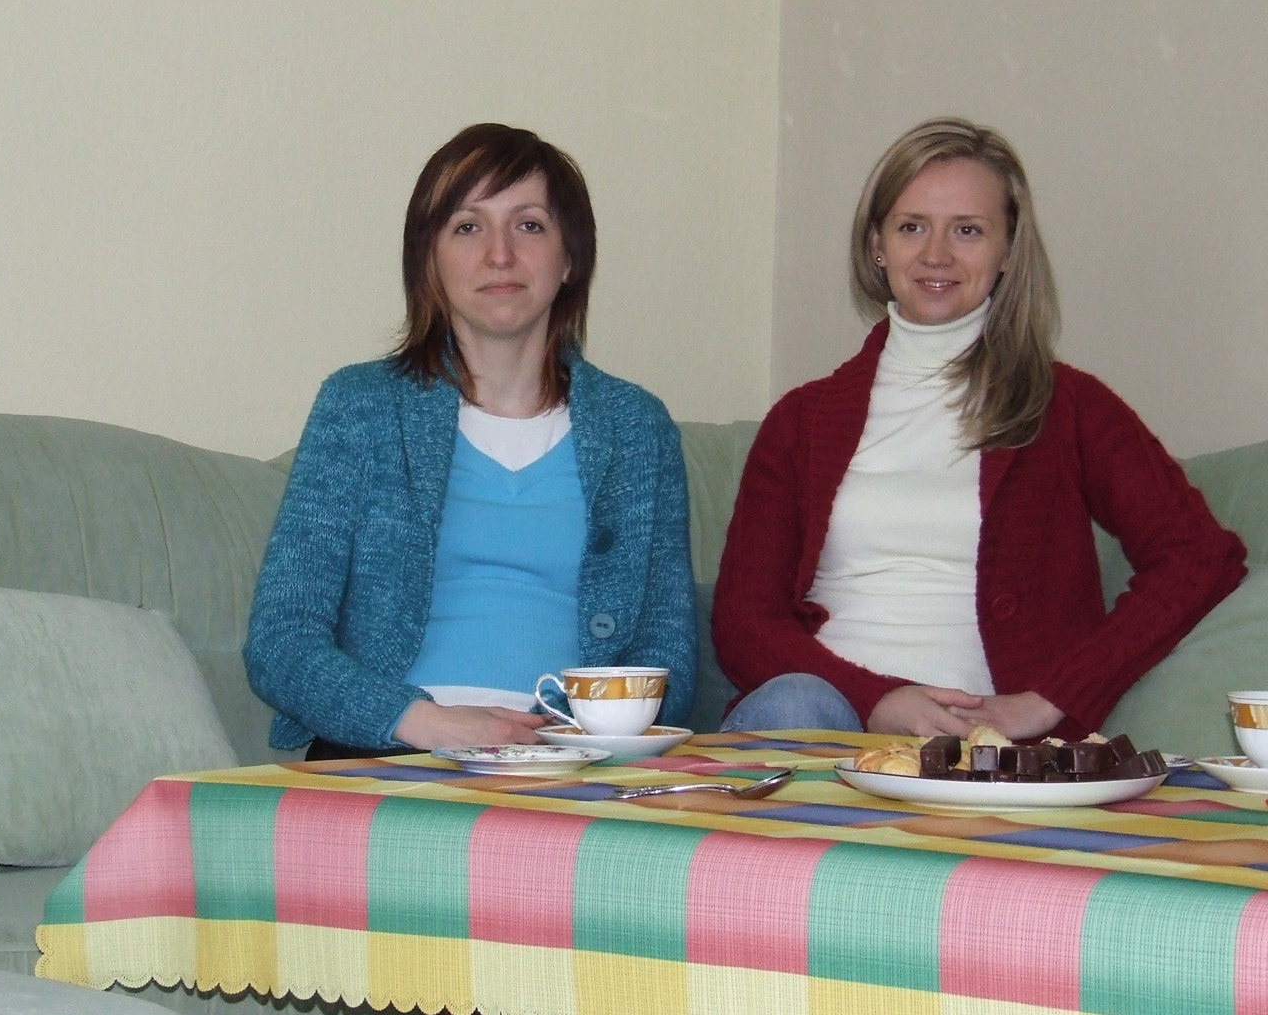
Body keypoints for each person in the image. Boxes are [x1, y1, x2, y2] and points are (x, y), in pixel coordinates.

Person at [712, 116, 1246, 743]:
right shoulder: (800, 421)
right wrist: (878, 702)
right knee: (790, 703)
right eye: (912, 227)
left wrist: (1053, 698)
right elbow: (743, 622)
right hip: (830, 726)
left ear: (1008, 250)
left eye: (967, 230)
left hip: (990, 754)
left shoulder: (1070, 407)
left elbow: (1199, 556)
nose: (935, 254)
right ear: (877, 245)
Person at [244, 123, 696, 758]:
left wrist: (556, 736)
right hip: (391, 750)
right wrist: (423, 721)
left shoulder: (638, 429)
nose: (500, 254)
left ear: (570, 259)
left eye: (530, 225)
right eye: (467, 226)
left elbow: (666, 657)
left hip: (569, 763)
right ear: (429, 259)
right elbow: (281, 642)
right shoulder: (360, 408)